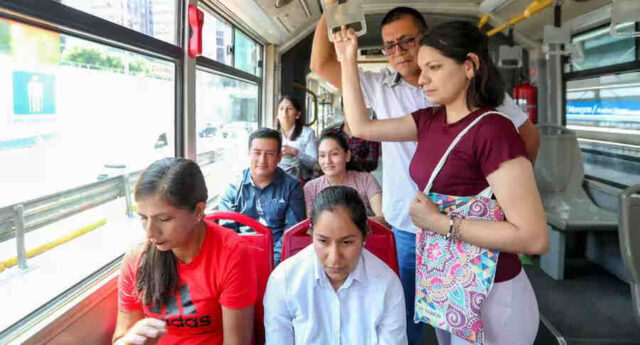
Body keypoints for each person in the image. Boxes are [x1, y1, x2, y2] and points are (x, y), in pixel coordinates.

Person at [310, 6, 541, 344]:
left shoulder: (492, 127)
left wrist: (504, 195)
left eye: (432, 67)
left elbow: (533, 236)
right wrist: (345, 49)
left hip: (479, 263)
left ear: (468, 67)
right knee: (418, 318)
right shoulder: (429, 119)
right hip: (427, 245)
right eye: (390, 46)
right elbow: (360, 126)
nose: (421, 78)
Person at [112, 158, 256, 345]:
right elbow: (121, 337)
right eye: (143, 217)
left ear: (198, 211)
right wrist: (130, 341)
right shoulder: (137, 258)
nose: (150, 232)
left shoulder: (231, 254)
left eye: (163, 219)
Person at [264, 186, 408, 345]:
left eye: (347, 242)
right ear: (311, 233)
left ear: (365, 236)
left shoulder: (387, 285)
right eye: (323, 241)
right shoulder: (284, 281)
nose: (334, 258)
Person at [219, 128, 306, 264]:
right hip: (241, 259)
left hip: (279, 261)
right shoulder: (233, 188)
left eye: (270, 154)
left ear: (279, 157)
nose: (262, 160)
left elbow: (291, 234)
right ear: (249, 153)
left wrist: (272, 264)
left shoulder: (292, 188)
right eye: (257, 153)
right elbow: (226, 233)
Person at [304, 132, 383, 220]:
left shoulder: (366, 180)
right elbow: (310, 225)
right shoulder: (311, 188)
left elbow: (382, 220)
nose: (327, 161)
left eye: (334, 154)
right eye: (322, 155)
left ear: (347, 156)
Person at [276, 95, 317, 180]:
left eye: (289, 109)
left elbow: (313, 162)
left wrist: (296, 152)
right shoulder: (273, 134)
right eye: (281, 108)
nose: (285, 113)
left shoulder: (307, 133)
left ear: (297, 114)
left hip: (299, 179)